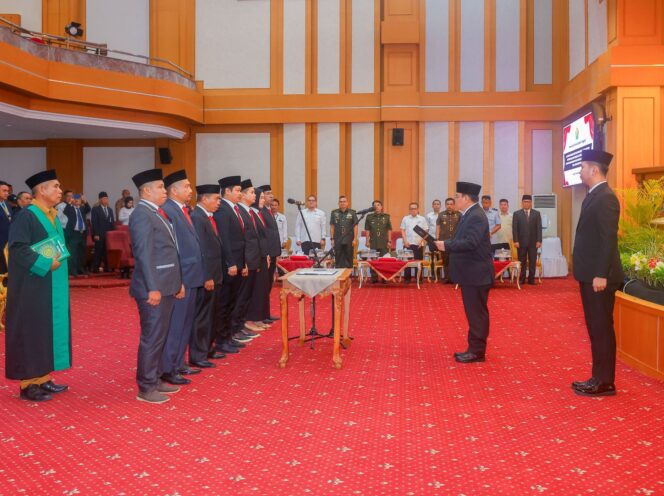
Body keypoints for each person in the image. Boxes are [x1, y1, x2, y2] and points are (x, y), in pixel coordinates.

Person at [5, 170, 71, 402]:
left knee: (44, 329)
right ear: (41, 190)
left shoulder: (51, 214)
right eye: (56, 186)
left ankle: (42, 377)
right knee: (30, 330)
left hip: (48, 283)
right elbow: (18, 248)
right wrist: (44, 263)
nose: (60, 190)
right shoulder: (27, 216)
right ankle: (28, 384)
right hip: (30, 284)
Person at [571, 149, 624, 397]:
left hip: (599, 277)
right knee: (595, 327)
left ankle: (605, 382)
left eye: (582, 167)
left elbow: (607, 240)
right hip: (590, 274)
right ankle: (598, 377)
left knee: (601, 327)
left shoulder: (606, 198)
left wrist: (601, 273)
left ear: (594, 170)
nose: (580, 171)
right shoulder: (593, 195)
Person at [129, 168, 184, 404]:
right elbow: (143, 254)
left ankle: (157, 376)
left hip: (166, 284)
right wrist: (153, 287)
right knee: (152, 337)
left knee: (161, 334)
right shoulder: (142, 214)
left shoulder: (157, 212)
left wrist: (177, 282)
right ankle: (146, 386)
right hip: (153, 288)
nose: (164, 190)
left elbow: (169, 251)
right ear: (147, 191)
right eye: (161, 187)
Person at [435, 182, 494, 363]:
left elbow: (471, 242)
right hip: (472, 273)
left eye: (457, 196)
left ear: (466, 198)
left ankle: (477, 352)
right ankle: (474, 348)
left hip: (476, 274)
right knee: (474, 312)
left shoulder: (476, 216)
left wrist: (446, 245)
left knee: (476, 313)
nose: (455, 199)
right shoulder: (469, 214)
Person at [160, 170, 206, 386]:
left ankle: (179, 362)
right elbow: (172, 249)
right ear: (174, 190)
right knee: (176, 324)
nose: (190, 190)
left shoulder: (183, 209)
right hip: (182, 278)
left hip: (192, 275)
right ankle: (168, 367)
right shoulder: (168, 210)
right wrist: (178, 280)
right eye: (186, 186)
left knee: (186, 322)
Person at [189, 184, 223, 369]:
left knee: (212, 315)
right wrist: (207, 276)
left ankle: (208, 349)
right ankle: (197, 354)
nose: (219, 202)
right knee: (202, 317)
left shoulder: (208, 217)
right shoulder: (197, 217)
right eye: (216, 199)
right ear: (204, 199)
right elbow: (200, 251)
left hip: (215, 275)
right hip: (207, 276)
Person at [211, 175, 245, 356]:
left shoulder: (234, 209)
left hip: (238, 264)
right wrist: (231, 263)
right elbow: (224, 240)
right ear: (227, 191)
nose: (240, 194)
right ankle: (221, 340)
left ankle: (228, 336)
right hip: (229, 266)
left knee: (232, 302)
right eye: (238, 190)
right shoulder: (223, 210)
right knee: (224, 304)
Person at [233, 179, 262, 338]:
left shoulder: (249, 211)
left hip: (252, 260)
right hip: (246, 261)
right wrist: (245, 262)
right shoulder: (240, 211)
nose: (255, 195)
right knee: (241, 297)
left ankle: (241, 325)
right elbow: (243, 239)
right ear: (243, 195)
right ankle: (236, 328)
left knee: (246, 297)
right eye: (251, 192)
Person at [246, 188, 272, 328]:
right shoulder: (252, 214)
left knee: (262, 288)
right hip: (255, 257)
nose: (263, 200)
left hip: (262, 255)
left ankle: (259, 317)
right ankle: (252, 318)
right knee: (256, 289)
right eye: (261, 197)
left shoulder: (259, 213)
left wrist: (266, 254)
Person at [257, 185, 282, 322]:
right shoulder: (260, 212)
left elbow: (274, 233)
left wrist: (276, 252)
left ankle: (265, 313)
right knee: (264, 286)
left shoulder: (269, 210)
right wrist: (267, 253)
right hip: (266, 254)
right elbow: (263, 235)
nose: (271, 196)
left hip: (272, 253)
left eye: (271, 193)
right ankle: (262, 314)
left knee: (268, 285)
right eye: (267, 194)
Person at [512, 194, 542, 285]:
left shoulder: (536, 214)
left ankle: (531, 279)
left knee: (532, 261)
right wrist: (515, 240)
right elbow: (514, 228)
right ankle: (522, 279)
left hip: (533, 243)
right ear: (522, 203)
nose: (526, 203)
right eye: (525, 202)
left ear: (531, 203)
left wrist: (539, 240)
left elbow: (539, 228)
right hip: (520, 243)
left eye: (528, 202)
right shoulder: (517, 214)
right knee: (522, 261)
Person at [63, 193, 91, 277]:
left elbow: (88, 209)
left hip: (82, 234)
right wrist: (69, 203)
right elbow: (65, 211)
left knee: (81, 253)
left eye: (78, 200)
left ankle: (81, 269)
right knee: (73, 253)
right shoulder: (70, 209)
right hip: (73, 234)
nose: (77, 201)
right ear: (73, 201)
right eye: (75, 200)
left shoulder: (82, 208)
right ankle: (73, 271)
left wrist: (85, 201)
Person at [364, 200, 392, 283]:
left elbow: (389, 229)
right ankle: (374, 278)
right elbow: (367, 230)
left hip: (384, 242)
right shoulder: (369, 217)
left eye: (378, 205)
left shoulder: (387, 216)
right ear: (373, 208)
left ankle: (384, 278)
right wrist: (367, 241)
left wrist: (389, 241)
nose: (377, 207)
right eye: (375, 206)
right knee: (374, 260)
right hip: (373, 242)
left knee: (384, 261)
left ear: (381, 207)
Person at [400, 202, 428, 283]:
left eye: (415, 208)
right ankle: (407, 279)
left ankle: (418, 279)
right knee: (407, 262)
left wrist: (421, 241)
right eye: (411, 209)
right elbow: (402, 230)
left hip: (418, 243)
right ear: (409, 210)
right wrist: (405, 240)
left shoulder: (422, 219)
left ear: (418, 209)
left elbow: (426, 230)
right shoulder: (405, 218)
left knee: (418, 261)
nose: (413, 210)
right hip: (408, 243)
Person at [436, 197, 461, 283]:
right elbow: (438, 227)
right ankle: (447, 278)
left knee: (455, 261)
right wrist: (437, 239)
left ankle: (455, 278)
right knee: (445, 260)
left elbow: (462, 228)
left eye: (451, 204)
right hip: (444, 242)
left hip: (456, 241)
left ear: (454, 205)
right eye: (448, 204)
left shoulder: (459, 214)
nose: (449, 206)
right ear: (445, 205)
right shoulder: (441, 214)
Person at [90, 191, 115, 272]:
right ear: (100, 200)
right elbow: (94, 222)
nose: (106, 200)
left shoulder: (110, 210)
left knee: (106, 251)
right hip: (99, 234)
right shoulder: (96, 209)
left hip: (108, 235)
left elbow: (112, 222)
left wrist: (113, 234)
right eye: (104, 199)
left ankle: (107, 267)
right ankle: (95, 268)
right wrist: (95, 234)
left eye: (107, 198)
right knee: (98, 251)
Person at [330, 195, 358, 268]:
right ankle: (339, 276)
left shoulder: (352, 213)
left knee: (349, 258)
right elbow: (332, 226)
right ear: (338, 203)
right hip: (338, 238)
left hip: (349, 239)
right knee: (338, 258)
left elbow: (355, 226)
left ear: (347, 203)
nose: (342, 203)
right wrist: (332, 239)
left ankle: (348, 276)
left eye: (344, 201)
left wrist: (355, 238)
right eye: (341, 202)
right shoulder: (334, 213)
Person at [0, 180, 12, 273]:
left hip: (8, 244)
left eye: (8, 191)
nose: (7, 193)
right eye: (4, 191)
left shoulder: (7, 204)